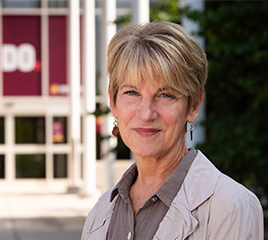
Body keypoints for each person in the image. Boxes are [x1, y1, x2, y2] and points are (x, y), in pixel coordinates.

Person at [81, 21, 263, 240]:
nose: (146, 113)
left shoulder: (231, 206)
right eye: (132, 93)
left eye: (166, 95)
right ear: (113, 101)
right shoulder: (100, 213)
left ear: (193, 105)